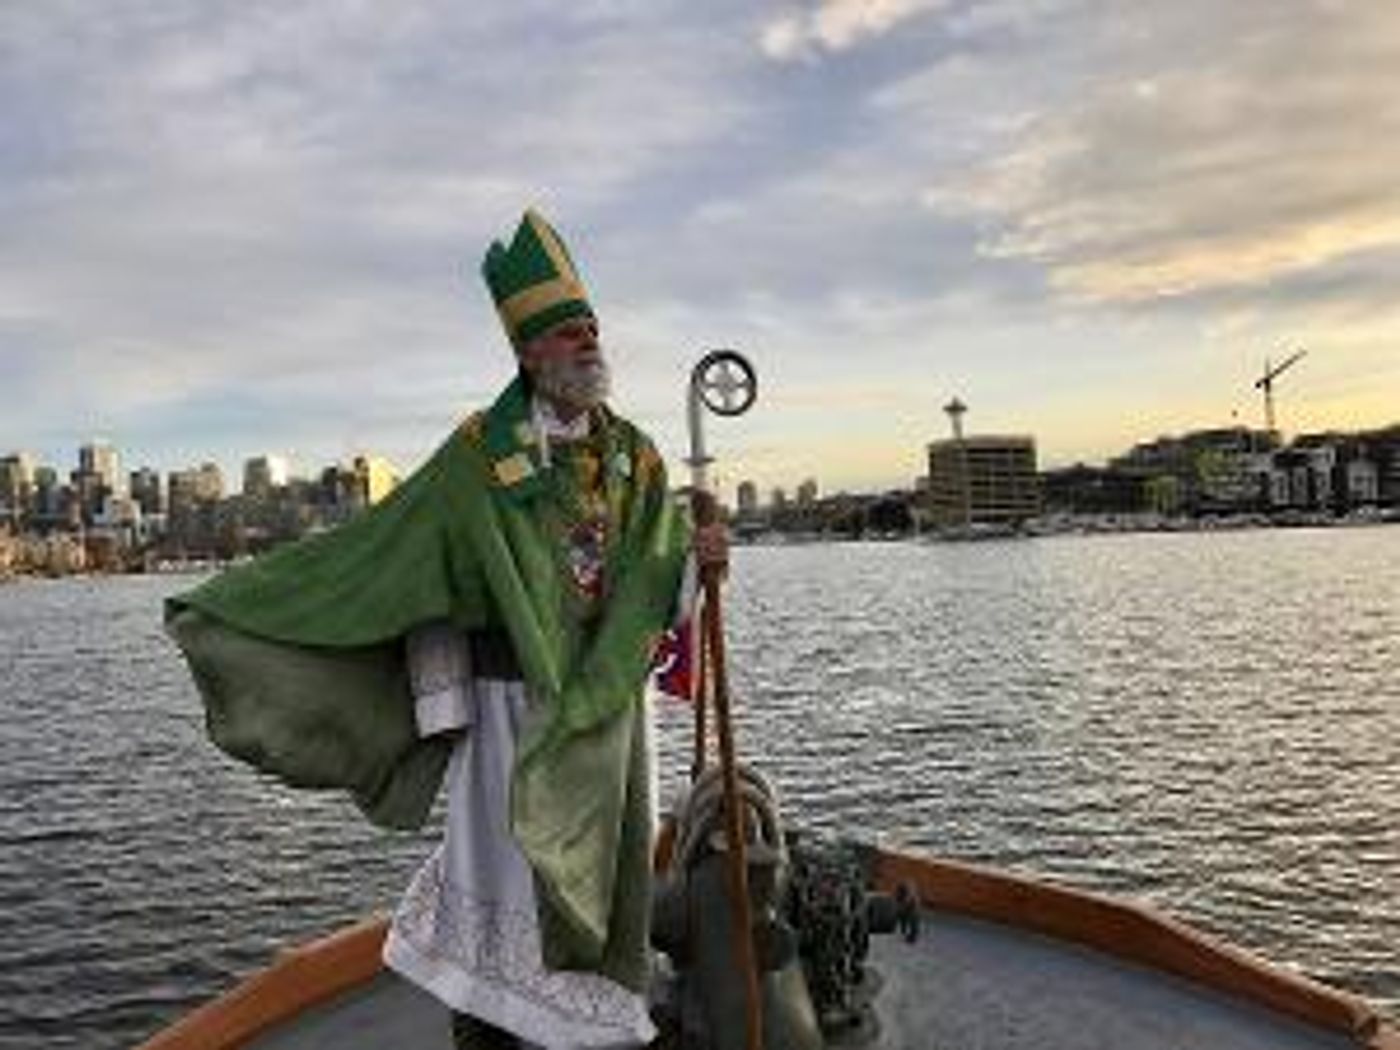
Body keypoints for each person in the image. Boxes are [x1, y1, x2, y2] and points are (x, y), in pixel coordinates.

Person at [166, 208, 724, 1049]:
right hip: (509, 711)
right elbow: (409, 567)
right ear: (528, 352)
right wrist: (442, 705)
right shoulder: (478, 454)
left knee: (609, 877)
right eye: (567, 333)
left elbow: (658, 574)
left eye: (592, 329)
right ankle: (493, 1029)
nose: (587, 344)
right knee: (506, 875)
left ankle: (593, 1022)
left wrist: (698, 556)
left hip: (612, 717)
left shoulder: (638, 458)